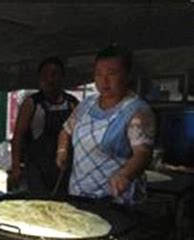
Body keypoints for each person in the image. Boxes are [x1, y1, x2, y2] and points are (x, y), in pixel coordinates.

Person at [56, 44, 156, 205]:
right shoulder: (87, 104)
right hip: (79, 194)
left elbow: (143, 154)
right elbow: (66, 131)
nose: (104, 81)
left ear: (127, 75)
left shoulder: (137, 111)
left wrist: (125, 174)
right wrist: (62, 152)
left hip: (114, 199)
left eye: (112, 73)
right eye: (98, 74)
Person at [10, 57, 78, 195]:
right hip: (36, 168)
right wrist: (16, 167)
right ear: (39, 78)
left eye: (54, 74)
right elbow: (17, 137)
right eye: (45, 75)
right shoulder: (31, 103)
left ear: (62, 77)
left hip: (63, 168)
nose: (50, 79)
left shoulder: (72, 103)